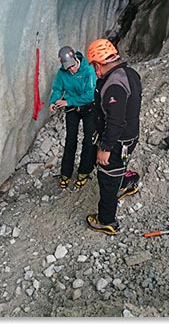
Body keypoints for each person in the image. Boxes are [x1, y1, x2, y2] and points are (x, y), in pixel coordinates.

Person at [85, 38, 142, 235]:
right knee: (119, 168)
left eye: (94, 66)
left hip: (118, 142)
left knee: (107, 177)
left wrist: (106, 148)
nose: (94, 71)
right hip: (128, 137)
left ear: (98, 63)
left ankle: (106, 221)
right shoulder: (129, 73)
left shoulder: (114, 85)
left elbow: (116, 121)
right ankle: (127, 182)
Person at [49, 45, 97, 189]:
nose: (72, 70)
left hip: (88, 108)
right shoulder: (62, 73)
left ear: (77, 59)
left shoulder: (88, 69)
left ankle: (84, 171)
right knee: (70, 140)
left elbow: (90, 94)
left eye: (73, 66)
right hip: (72, 109)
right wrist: (53, 101)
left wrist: (68, 101)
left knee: (89, 140)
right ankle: (66, 173)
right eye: (68, 68)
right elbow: (58, 88)